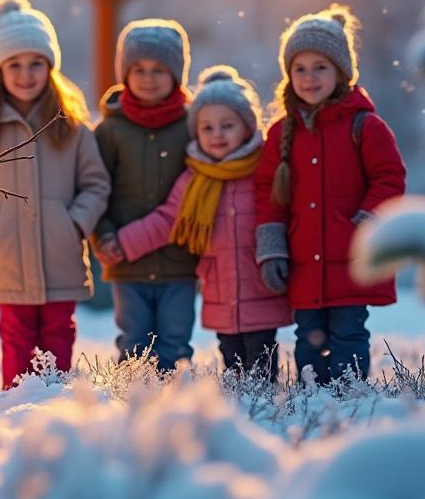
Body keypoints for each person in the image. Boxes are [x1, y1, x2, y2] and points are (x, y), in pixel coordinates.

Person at [0, 0, 110, 390]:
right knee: (17, 335)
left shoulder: (71, 125)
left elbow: (95, 183)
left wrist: (74, 223)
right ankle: (15, 404)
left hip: (60, 252)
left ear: (50, 67)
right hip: (7, 255)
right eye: (14, 64)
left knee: (58, 332)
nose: (26, 74)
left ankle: (54, 402)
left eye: (36, 63)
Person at [254, 5, 406, 384]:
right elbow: (267, 194)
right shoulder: (281, 134)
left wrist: (367, 221)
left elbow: (389, 178)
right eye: (300, 68)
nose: (309, 77)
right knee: (308, 336)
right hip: (304, 260)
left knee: (349, 334)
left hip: (351, 258)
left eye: (320, 66)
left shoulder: (365, 126)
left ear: (341, 71)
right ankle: (312, 398)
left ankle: (348, 397)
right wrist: (271, 246)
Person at [113, 66, 292, 379]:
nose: (217, 135)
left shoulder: (261, 172)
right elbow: (168, 219)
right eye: (207, 128)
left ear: (247, 128)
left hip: (261, 287)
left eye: (227, 126)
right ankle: (241, 402)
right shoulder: (194, 179)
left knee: (261, 352)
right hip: (220, 290)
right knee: (233, 356)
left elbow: (283, 212)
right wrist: (125, 241)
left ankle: (263, 403)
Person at [92, 19, 199, 371]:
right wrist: (103, 233)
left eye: (159, 69)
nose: (148, 78)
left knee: (174, 338)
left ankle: (173, 404)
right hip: (127, 260)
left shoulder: (192, 126)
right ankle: (133, 399)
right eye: (138, 69)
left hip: (180, 259)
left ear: (176, 74)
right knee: (134, 339)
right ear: (124, 73)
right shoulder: (110, 129)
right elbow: (96, 186)